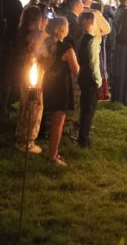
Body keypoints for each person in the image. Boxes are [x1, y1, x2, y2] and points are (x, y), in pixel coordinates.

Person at [43, 17, 78, 167]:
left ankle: (52, 151)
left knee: (49, 117)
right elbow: (75, 69)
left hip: (47, 83)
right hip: (61, 85)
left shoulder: (44, 45)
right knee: (58, 120)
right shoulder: (66, 47)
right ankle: (53, 154)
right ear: (63, 30)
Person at [14, 6, 48, 154]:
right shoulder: (38, 35)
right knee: (34, 106)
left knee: (24, 104)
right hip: (35, 73)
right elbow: (45, 54)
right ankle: (27, 141)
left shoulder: (21, 32)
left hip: (23, 72)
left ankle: (20, 136)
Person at [76, 12, 103, 148]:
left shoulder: (81, 38)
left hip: (82, 74)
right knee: (89, 109)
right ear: (89, 23)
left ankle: (81, 135)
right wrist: (98, 80)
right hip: (89, 77)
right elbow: (94, 62)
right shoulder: (92, 40)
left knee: (84, 107)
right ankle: (83, 139)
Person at [0, 0, 24, 115]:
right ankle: (4, 105)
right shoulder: (16, 3)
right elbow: (19, 25)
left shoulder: (0, 1)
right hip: (11, 44)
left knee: (1, 76)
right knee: (8, 76)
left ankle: (0, 105)